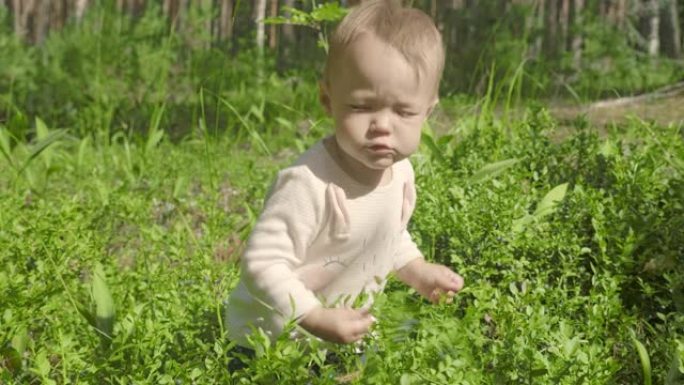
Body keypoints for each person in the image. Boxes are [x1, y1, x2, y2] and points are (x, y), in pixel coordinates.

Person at [226, 0, 464, 351]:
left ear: (427, 112)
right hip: (269, 344)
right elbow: (263, 262)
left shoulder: (399, 174)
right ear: (327, 99)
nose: (382, 125)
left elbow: (386, 235)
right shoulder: (308, 184)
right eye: (361, 106)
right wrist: (314, 316)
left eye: (403, 111)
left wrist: (417, 270)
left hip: (339, 341)